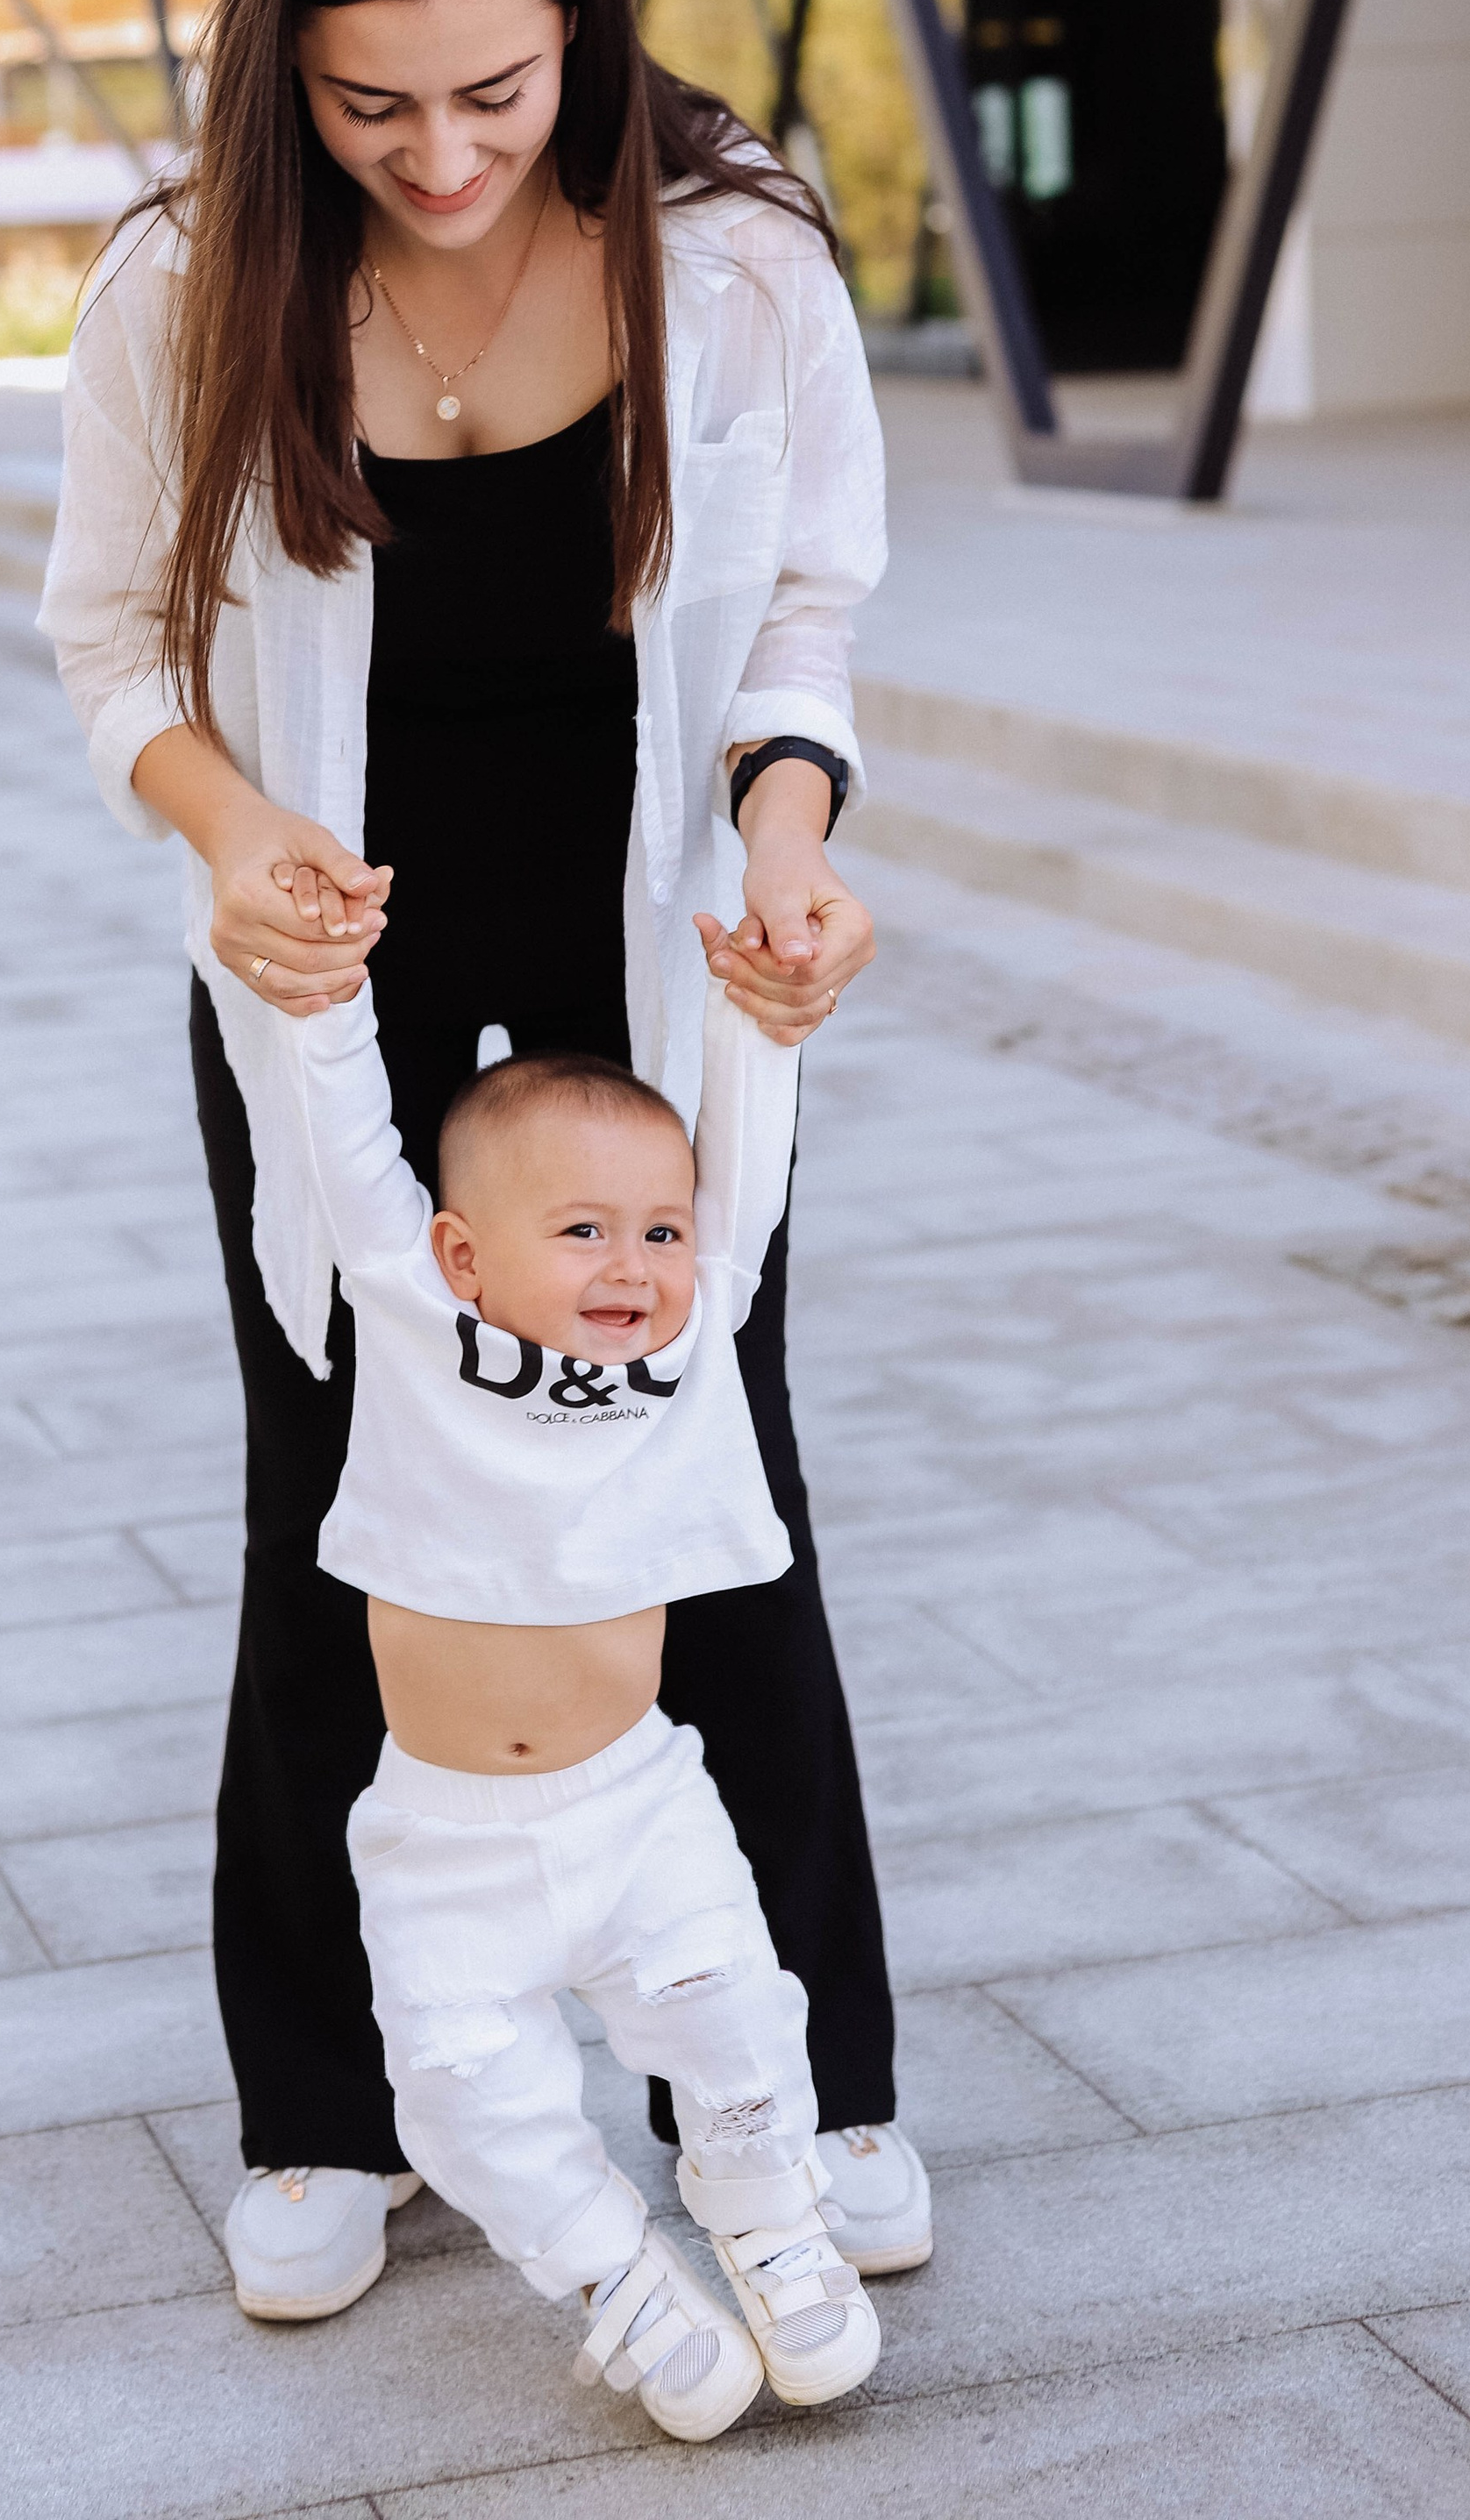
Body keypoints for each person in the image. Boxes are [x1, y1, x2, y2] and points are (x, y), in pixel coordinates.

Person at [39, 0, 927, 2322]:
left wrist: (789, 839)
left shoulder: (736, 256)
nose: (439, 153)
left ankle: (809, 2086)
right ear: (281, 71)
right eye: (370, 101)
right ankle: (332, 2111)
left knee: (708, 1469)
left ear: (585, 33)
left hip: (666, 958)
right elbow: (116, 642)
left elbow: (805, 617)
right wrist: (233, 843)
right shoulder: (191, 278)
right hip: (336, 958)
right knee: (341, 1494)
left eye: (498, 91)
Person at [282, 951, 879, 2440]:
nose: (634, 1265)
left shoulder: (691, 1344)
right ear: (464, 1256)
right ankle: (619, 2280)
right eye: (585, 1230)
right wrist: (320, 997)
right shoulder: (414, 1318)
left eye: (659, 1229)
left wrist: (758, 1008)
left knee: (737, 2015)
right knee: (465, 2095)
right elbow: (348, 1141)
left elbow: (744, 1152)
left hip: (637, 1805)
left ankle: (766, 2215)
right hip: (446, 1837)